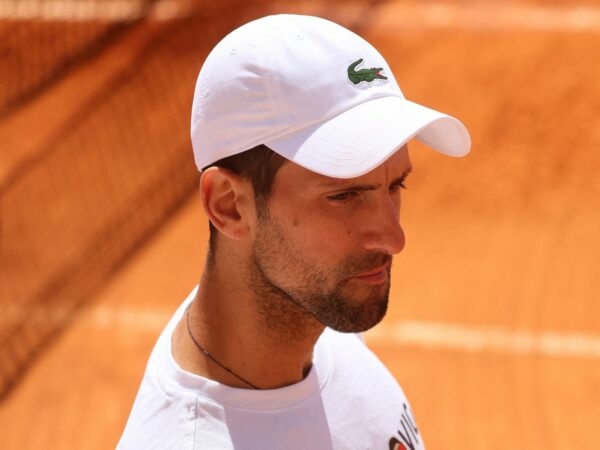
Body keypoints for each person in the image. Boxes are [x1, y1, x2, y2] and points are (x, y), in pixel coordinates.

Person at [117, 14, 470, 450]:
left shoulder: (316, 314)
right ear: (229, 205)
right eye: (344, 196)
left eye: (396, 186)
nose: (394, 238)